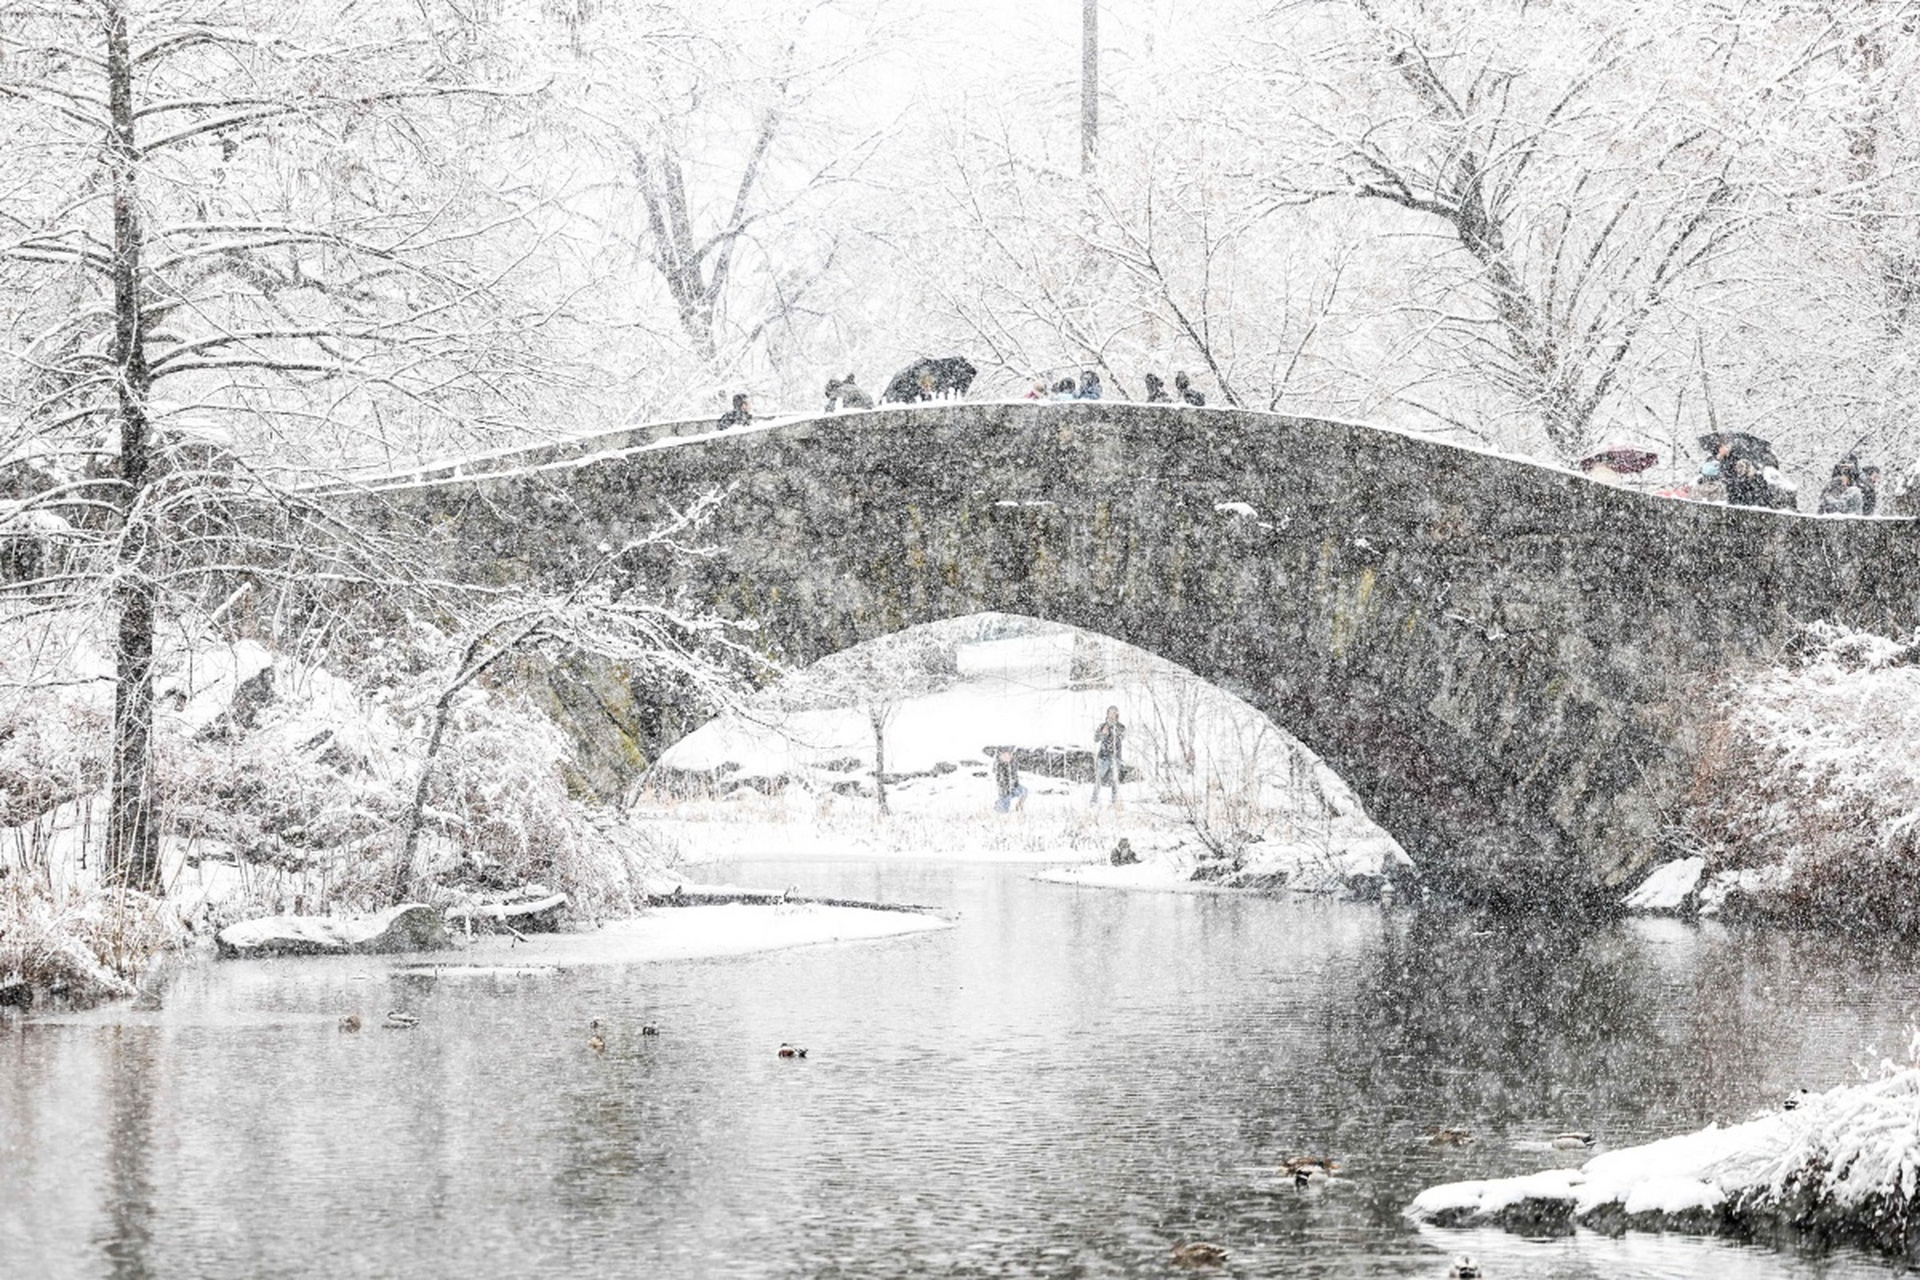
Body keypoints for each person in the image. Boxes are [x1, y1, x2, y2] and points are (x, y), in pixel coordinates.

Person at [1090, 705, 1124, 808]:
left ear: (1117, 715)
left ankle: (1114, 803)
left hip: (1115, 757)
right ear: (1107, 714)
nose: (1112, 715)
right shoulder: (1102, 726)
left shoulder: (1121, 727)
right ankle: (1093, 801)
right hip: (1103, 757)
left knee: (1114, 781)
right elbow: (1095, 739)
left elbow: (1121, 737)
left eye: (1114, 713)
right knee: (1098, 780)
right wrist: (1102, 733)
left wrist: (1113, 730)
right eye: (1110, 712)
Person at [992, 748, 1027, 814]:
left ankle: (1018, 806)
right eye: (1007, 754)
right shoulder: (1000, 766)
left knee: (1024, 791)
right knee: (1004, 808)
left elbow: (1014, 775)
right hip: (1005, 790)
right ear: (1001, 756)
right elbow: (1001, 780)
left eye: (1010, 754)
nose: (1010, 756)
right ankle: (997, 808)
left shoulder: (1012, 763)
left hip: (1014, 787)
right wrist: (1006, 788)